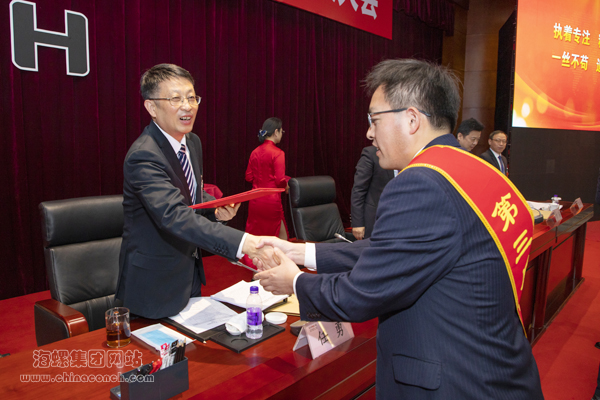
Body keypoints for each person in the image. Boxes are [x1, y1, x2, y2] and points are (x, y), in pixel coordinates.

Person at [255, 59, 543, 399]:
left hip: (458, 383)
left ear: (411, 119)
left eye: (374, 120)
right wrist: (301, 252)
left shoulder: (421, 182)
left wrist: (295, 282)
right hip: (500, 370)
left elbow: (361, 295)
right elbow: (400, 249)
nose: (369, 133)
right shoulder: (475, 171)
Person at [116, 63, 270, 319]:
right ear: (151, 107)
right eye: (175, 99)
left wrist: (215, 210)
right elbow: (174, 215)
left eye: (191, 97)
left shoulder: (192, 142)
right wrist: (244, 243)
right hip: (154, 286)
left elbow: (190, 194)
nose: (187, 106)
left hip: (189, 275)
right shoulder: (143, 155)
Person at [245, 117, 290, 239]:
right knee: (277, 239)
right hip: (271, 201)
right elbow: (279, 180)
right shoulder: (278, 153)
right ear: (276, 132)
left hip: (255, 200)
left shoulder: (254, 152)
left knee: (256, 238)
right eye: (281, 131)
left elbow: (248, 177)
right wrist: (286, 185)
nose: (282, 134)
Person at [350, 145, 393, 240]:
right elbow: (359, 190)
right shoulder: (371, 153)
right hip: (374, 219)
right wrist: (357, 223)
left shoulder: (410, 154)